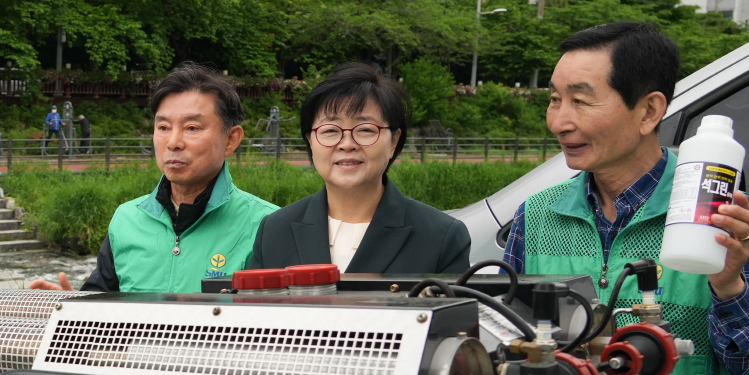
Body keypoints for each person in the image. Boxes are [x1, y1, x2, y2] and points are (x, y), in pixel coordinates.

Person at [503, 20, 749, 375]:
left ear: (648, 111)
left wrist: (729, 285)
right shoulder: (537, 217)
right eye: (555, 99)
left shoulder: (726, 218)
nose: (560, 120)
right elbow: (509, 352)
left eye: (581, 100)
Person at [30, 63, 278, 292]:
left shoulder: (269, 226)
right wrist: (75, 311)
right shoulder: (126, 219)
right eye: (163, 127)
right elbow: (101, 316)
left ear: (231, 139)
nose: (173, 142)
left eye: (192, 128)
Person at [247, 63, 471, 275]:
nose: (347, 143)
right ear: (310, 141)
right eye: (330, 130)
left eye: (365, 129)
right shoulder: (275, 230)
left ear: (394, 141)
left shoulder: (441, 236)